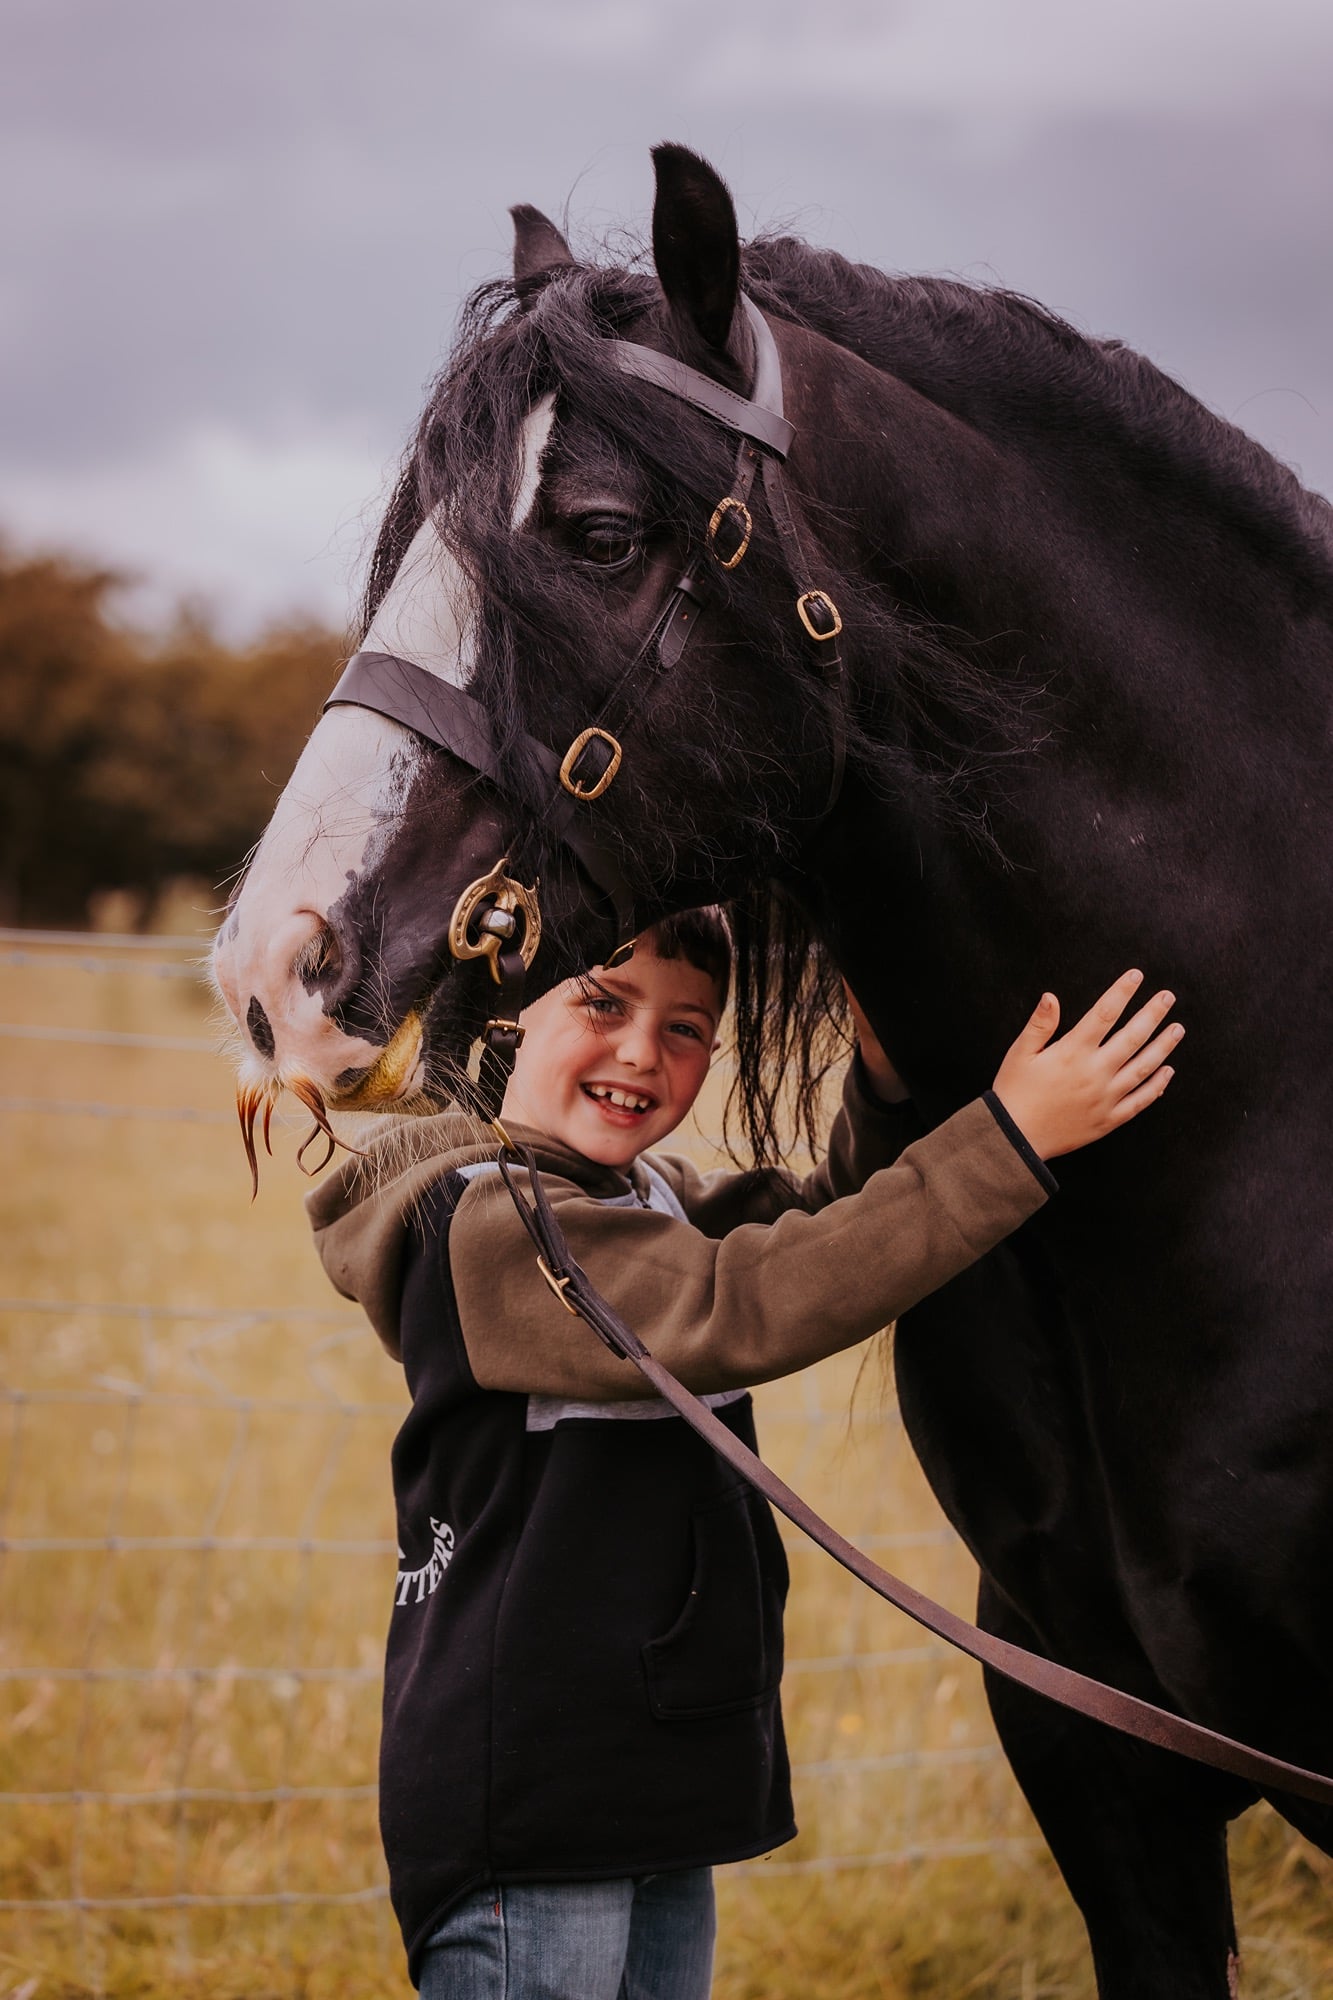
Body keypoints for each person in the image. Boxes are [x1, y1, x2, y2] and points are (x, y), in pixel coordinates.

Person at [307, 909, 1180, 1998]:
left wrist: (882, 1068)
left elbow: (827, 1221)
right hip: (533, 1797)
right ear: (502, 1018)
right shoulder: (491, 1225)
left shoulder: (640, 1199)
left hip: (651, 1765)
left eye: (686, 1027)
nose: (641, 1051)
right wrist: (1009, 1138)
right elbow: (749, 1296)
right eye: (603, 1002)